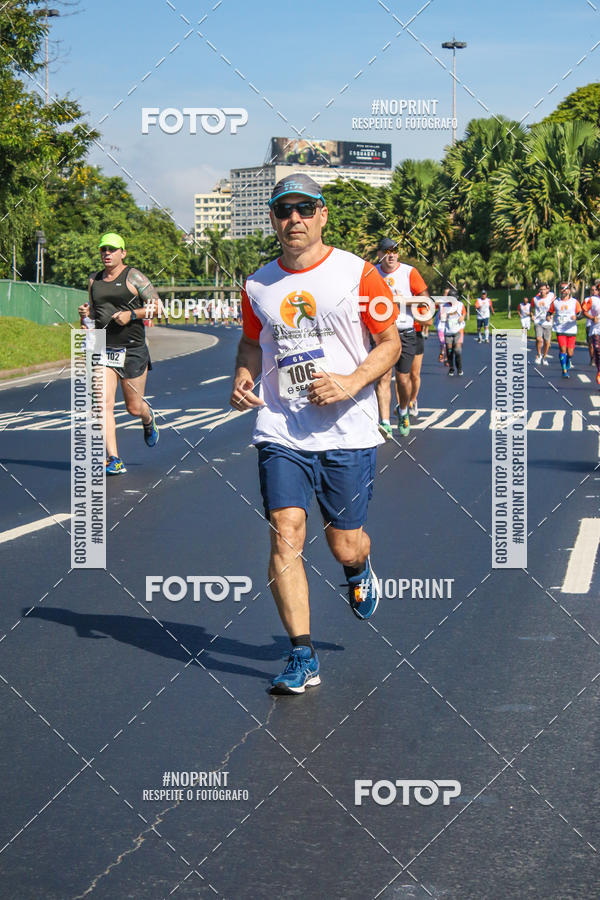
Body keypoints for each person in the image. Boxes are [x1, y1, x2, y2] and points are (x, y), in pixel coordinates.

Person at [229, 174, 399, 694]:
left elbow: (390, 343)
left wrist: (351, 382)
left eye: (305, 209)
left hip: (347, 431)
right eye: (284, 211)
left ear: (323, 215)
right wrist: (242, 376)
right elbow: (252, 346)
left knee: (344, 544)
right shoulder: (258, 285)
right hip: (282, 427)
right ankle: (301, 655)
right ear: (274, 219)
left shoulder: (359, 274)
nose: (294, 220)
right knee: (286, 533)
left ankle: (358, 568)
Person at [77, 232, 160, 475]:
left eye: (112, 249)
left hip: (133, 350)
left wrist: (131, 315)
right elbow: (94, 313)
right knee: (102, 405)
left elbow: (157, 306)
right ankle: (114, 458)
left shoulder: (133, 276)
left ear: (122, 253)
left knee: (133, 408)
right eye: (103, 249)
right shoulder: (94, 280)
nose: (107, 253)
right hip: (104, 349)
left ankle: (147, 418)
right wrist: (84, 314)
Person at [375, 237, 430, 435]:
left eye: (395, 251)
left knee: (403, 379)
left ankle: (403, 410)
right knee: (382, 377)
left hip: (406, 331)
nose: (391, 255)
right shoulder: (372, 273)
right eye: (387, 251)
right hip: (382, 333)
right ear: (380, 254)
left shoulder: (409, 272)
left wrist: (403, 300)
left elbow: (426, 302)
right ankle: (385, 422)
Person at [548, 282, 581, 378]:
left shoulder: (574, 302)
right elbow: (549, 312)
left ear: (569, 291)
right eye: (562, 288)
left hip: (571, 330)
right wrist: (548, 317)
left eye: (566, 288)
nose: (564, 290)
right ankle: (564, 370)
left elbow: (580, 314)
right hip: (560, 329)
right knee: (563, 349)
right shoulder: (555, 302)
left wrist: (577, 317)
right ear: (559, 290)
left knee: (570, 353)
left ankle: (568, 360)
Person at [441, 292, 466, 376]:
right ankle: (451, 368)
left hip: (458, 331)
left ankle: (459, 368)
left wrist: (462, 317)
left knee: (458, 351)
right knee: (449, 351)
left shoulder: (460, 305)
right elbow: (441, 317)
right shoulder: (445, 306)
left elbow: (464, 313)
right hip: (448, 332)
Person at [532, 283, 554, 364]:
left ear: (547, 290)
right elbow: (531, 308)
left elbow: (556, 306)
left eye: (544, 289)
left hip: (547, 322)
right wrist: (532, 315)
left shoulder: (551, 296)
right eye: (541, 289)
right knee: (539, 339)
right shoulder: (535, 299)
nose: (542, 291)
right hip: (538, 322)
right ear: (539, 290)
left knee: (547, 341)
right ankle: (538, 354)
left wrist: (550, 315)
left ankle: (544, 357)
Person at [583, 284, 600, 384]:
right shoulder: (592, 300)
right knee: (597, 350)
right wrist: (592, 318)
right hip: (596, 329)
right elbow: (584, 310)